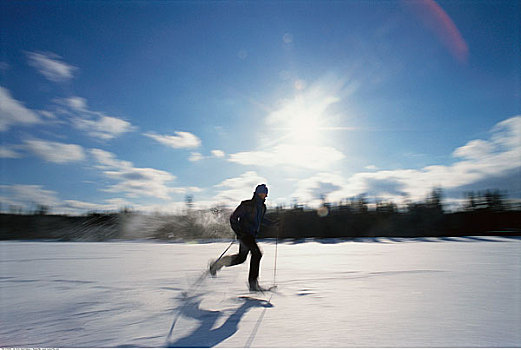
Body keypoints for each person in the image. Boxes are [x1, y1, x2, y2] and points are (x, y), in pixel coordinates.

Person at [209, 184, 270, 291]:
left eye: (265, 194)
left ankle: (218, 264)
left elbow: (261, 220)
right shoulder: (246, 205)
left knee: (241, 258)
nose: (264, 196)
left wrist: (273, 223)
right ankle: (253, 284)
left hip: (251, 235)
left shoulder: (263, 207)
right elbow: (233, 218)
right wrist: (239, 232)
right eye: (262, 193)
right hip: (244, 234)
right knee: (257, 254)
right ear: (257, 193)